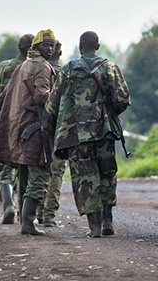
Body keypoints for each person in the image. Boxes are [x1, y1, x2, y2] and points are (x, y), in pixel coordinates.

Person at [43, 31, 131, 237]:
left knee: (85, 178)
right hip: (104, 132)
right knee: (106, 174)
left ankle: (94, 227)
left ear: (81, 47)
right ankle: (108, 220)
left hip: (75, 135)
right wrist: (108, 112)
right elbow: (123, 99)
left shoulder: (68, 71)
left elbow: (52, 104)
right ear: (97, 46)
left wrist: (47, 130)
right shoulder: (110, 68)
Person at [0, 29, 57, 236]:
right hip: (35, 130)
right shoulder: (42, 67)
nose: (49, 49)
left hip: (18, 129)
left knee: (24, 174)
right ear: (36, 47)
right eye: (46, 45)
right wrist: (59, 104)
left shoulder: (24, 64)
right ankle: (28, 221)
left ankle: (26, 222)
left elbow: (4, 94)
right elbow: (43, 97)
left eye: (52, 45)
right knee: (40, 175)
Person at [0, 33, 33, 224]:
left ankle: (8, 204)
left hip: (5, 119)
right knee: (25, 166)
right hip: (26, 121)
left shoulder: (3, 66)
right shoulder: (35, 67)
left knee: (5, 167)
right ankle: (26, 211)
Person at [39, 41, 67, 227]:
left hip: (39, 127)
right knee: (56, 171)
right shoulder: (66, 73)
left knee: (40, 170)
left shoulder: (38, 70)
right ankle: (49, 214)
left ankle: (38, 209)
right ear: (61, 52)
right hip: (61, 129)